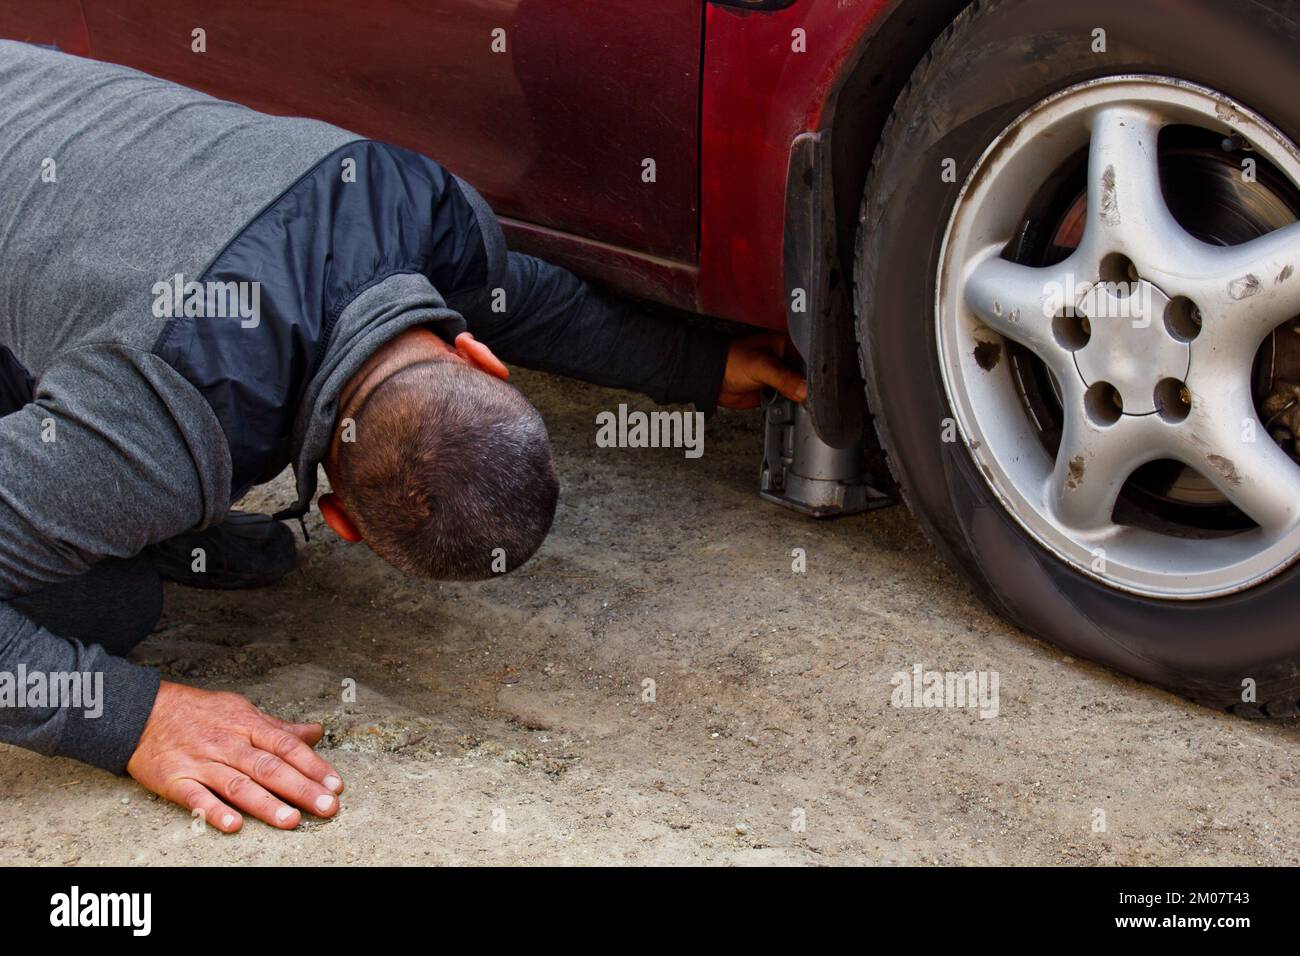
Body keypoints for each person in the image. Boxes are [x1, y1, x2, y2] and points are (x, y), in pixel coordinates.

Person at [0, 41, 806, 831]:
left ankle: (111, 521)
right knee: (105, 605)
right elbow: (510, 297)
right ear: (339, 518)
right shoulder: (159, 415)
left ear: (479, 361)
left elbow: (514, 297)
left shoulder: (408, 200)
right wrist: (136, 721)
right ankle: (116, 534)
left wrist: (701, 363)